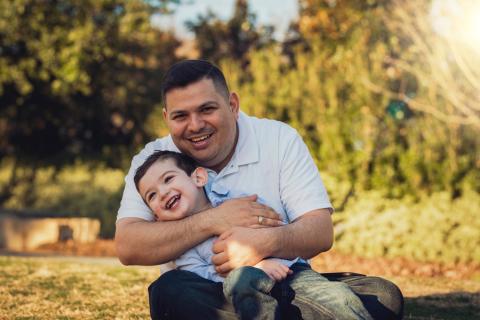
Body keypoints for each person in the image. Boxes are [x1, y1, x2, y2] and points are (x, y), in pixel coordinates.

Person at [115, 59, 404, 320]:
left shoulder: (279, 139)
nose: (195, 125)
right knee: (169, 292)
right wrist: (214, 220)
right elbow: (128, 246)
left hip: (286, 280)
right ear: (167, 118)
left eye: (207, 109)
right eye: (180, 116)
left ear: (232, 105)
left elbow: (320, 230)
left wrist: (261, 244)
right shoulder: (154, 161)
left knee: (384, 296)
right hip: (209, 294)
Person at [134, 150, 374, 320]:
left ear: (198, 177)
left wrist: (266, 257)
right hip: (236, 295)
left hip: (289, 276)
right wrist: (252, 269)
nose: (163, 193)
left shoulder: (235, 200)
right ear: (154, 215)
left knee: (342, 298)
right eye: (152, 196)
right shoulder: (183, 247)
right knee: (175, 291)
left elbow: (275, 227)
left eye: (168, 180)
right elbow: (201, 279)